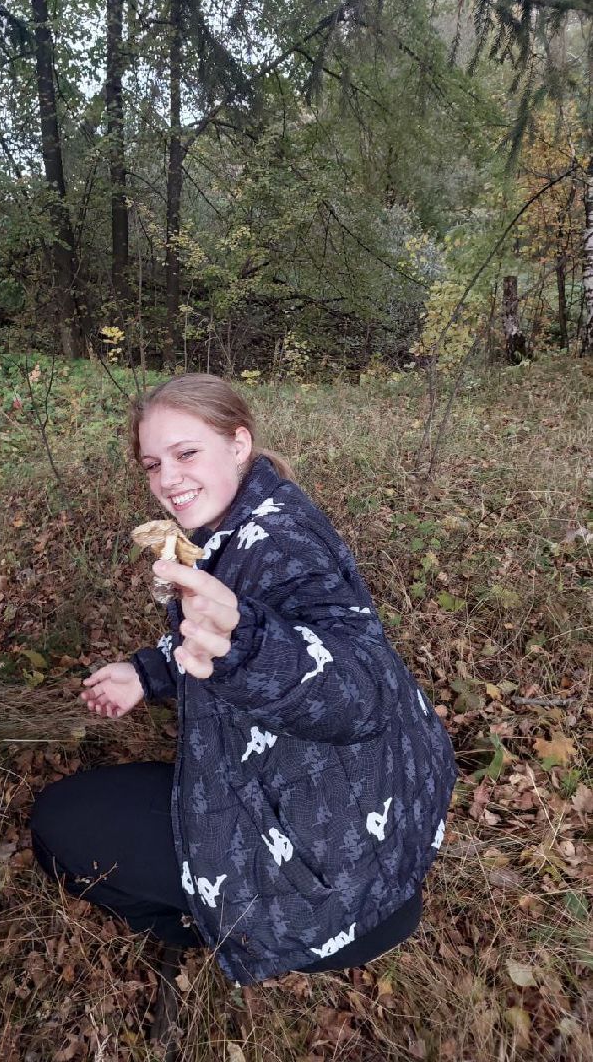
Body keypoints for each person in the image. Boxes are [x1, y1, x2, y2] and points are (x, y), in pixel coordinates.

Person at [30, 374, 456, 987]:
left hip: (325, 879)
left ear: (238, 444)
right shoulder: (248, 516)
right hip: (367, 843)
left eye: (186, 453)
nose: (168, 479)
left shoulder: (281, 543)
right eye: (153, 464)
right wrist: (148, 674)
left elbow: (359, 691)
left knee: (57, 824)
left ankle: (226, 930)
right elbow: (224, 632)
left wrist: (250, 648)